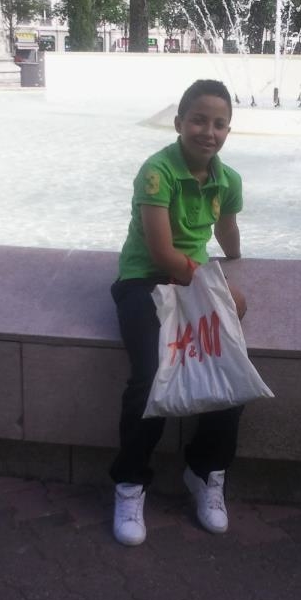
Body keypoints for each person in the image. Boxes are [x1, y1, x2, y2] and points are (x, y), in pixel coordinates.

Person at [110, 78, 246, 546]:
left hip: (192, 282)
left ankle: (205, 472)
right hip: (144, 281)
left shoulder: (228, 180)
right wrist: (217, 293)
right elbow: (162, 253)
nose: (209, 132)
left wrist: (234, 264)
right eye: (199, 120)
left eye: (219, 124)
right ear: (179, 123)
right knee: (151, 375)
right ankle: (130, 482)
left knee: (228, 368)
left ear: (228, 131)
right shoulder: (157, 172)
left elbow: (227, 232)